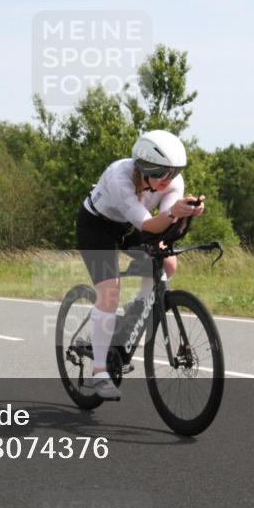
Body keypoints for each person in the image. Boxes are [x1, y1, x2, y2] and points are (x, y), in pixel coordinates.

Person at [76, 130, 205, 400]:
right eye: (161, 173)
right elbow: (149, 224)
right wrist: (172, 213)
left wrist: (185, 213)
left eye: (173, 173)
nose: (167, 180)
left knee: (167, 263)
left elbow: (165, 223)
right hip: (97, 226)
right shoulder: (119, 177)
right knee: (110, 290)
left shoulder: (171, 181)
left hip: (130, 227)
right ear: (143, 167)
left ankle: (133, 313)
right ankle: (99, 371)